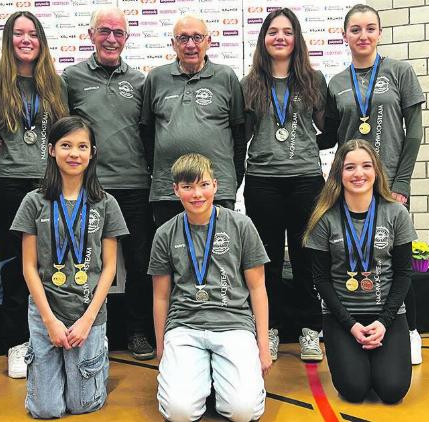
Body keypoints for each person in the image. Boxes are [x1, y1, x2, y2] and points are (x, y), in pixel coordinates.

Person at [319, 3, 425, 365]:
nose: (363, 36)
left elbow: (415, 133)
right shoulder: (336, 83)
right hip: (351, 183)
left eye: (370, 29)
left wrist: (402, 183)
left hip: (389, 184)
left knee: (397, 260)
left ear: (379, 33)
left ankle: (407, 332)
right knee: (351, 252)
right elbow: (331, 136)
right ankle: (348, 323)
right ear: (344, 36)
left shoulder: (400, 72)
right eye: (355, 30)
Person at [10, 116, 128, 418]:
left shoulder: (106, 204)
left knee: (82, 406)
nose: (74, 153)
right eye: (66, 145)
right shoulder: (33, 202)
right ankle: (57, 372)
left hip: (87, 312)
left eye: (82, 146)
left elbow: (110, 268)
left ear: (92, 153)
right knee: (46, 410)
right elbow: (28, 267)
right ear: (51, 150)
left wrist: (88, 320)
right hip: (45, 312)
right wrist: (49, 321)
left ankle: (93, 364)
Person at [62, 7, 155, 361]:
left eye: (118, 33)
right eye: (104, 31)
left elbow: (150, 134)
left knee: (138, 262)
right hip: (87, 189)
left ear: (127, 39)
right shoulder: (70, 78)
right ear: (90, 35)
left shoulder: (142, 82)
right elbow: (57, 133)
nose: (111, 39)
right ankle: (77, 325)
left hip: (134, 186)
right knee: (79, 260)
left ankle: (136, 331)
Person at [0, 11, 68, 379]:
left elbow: (67, 132)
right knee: (13, 263)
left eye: (33, 33)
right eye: (18, 33)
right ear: (8, 39)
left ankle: (53, 336)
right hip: (8, 182)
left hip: (50, 183)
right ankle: (16, 342)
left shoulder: (55, 83)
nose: (26, 40)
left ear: (41, 40)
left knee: (53, 261)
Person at [149, 153, 271, 422]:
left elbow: (258, 288)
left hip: (234, 324)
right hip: (185, 326)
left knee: (244, 412)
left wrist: (262, 346)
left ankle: (218, 383)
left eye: (203, 185)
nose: (197, 194)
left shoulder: (241, 225)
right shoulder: (165, 234)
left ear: (215, 185)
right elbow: (161, 296)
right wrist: (161, 347)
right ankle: (202, 380)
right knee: (179, 413)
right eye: (188, 186)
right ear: (175, 190)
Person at [241, 7, 327, 362]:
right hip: (263, 182)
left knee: (307, 258)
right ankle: (271, 328)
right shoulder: (249, 85)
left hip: (306, 180)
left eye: (287, 32)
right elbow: (241, 135)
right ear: (263, 39)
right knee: (269, 259)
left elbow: (329, 127)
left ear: (297, 39)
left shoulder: (314, 80)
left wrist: (303, 147)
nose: (280, 37)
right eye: (273, 31)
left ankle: (310, 329)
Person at [303, 139, 415, 404]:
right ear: (339, 174)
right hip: (343, 317)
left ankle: (377, 357)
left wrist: (384, 322)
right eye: (350, 167)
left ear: (376, 171)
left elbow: (404, 273)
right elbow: (320, 279)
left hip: (387, 314)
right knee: (353, 390)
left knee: (392, 390)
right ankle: (360, 359)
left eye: (366, 166)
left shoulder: (396, 213)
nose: (358, 174)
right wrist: (351, 325)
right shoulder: (324, 217)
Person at [140, 13, 247, 228]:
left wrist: (231, 178)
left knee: (219, 254)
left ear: (209, 42)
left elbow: (240, 133)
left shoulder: (226, 77)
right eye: (183, 38)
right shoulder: (156, 78)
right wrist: (159, 171)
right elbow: (147, 132)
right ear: (173, 44)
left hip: (216, 189)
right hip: (168, 191)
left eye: (197, 37)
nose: (190, 44)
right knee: (171, 255)